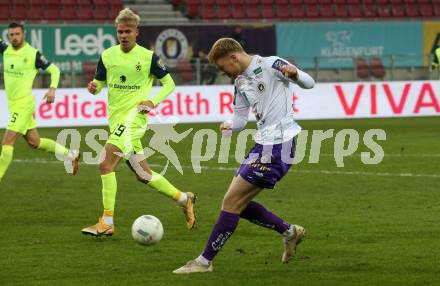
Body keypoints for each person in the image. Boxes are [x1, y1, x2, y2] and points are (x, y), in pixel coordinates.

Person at [173, 38, 315, 274]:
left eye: (222, 67)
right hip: (262, 144)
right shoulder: (239, 83)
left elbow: (309, 83)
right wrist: (231, 125)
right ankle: (290, 232)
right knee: (238, 203)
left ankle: (204, 262)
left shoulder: (271, 65)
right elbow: (240, 118)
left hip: (281, 145)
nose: (222, 72)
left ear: (234, 58)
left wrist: (295, 74)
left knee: (231, 202)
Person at [81, 8, 196, 237]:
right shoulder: (107, 56)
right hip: (115, 120)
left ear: (136, 32)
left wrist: (152, 101)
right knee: (143, 175)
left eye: (128, 31)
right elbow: (100, 83)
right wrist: (95, 88)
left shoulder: (148, 57)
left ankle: (107, 221)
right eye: (120, 31)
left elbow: (169, 84)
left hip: (134, 120)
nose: (123, 35)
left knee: (105, 164)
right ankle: (184, 199)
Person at [0, 22, 80, 183]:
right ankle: (71, 154)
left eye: (17, 34)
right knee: (34, 142)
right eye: (12, 35)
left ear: (23, 35)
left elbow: (55, 70)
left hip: (23, 105)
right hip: (13, 104)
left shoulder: (33, 54)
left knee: (7, 142)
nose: (14, 37)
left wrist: (52, 89)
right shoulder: (5, 50)